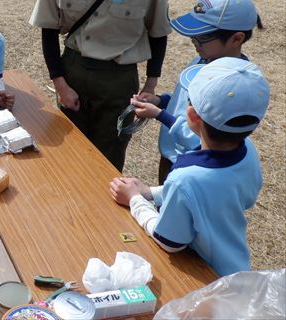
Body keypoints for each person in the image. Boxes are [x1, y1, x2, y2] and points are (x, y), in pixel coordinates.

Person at [29, 0, 171, 171]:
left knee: (109, 158)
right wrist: (60, 83)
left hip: (120, 80)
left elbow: (158, 32)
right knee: (68, 155)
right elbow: (48, 28)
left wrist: (151, 84)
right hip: (75, 71)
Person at [110, 57, 270, 277]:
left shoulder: (184, 179)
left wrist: (135, 200)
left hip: (203, 276)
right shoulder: (247, 151)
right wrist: (150, 193)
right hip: (235, 267)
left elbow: (169, 241)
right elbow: (205, 190)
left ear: (192, 115)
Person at [129, 0, 261, 184]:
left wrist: (159, 114)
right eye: (193, 35)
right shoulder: (201, 58)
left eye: (203, 36)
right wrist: (161, 101)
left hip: (196, 164)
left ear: (236, 38)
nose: (194, 42)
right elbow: (184, 101)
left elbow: (201, 137)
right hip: (172, 154)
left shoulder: (231, 86)